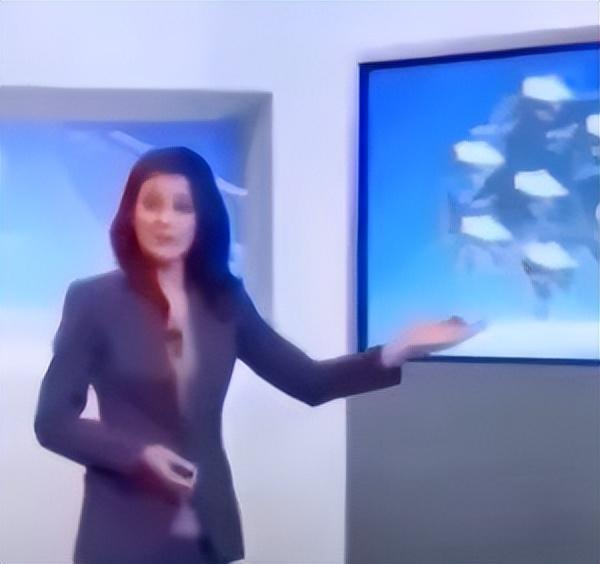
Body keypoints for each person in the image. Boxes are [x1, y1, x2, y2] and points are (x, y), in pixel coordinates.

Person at [34, 147, 481, 564]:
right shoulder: (93, 301)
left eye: (182, 207)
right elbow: (52, 421)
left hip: (207, 532)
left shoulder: (225, 300)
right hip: (122, 536)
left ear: (203, 218)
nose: (165, 220)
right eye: (151, 204)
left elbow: (309, 381)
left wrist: (400, 349)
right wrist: (140, 454)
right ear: (131, 213)